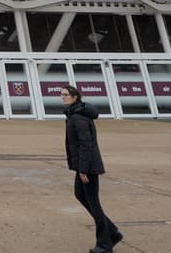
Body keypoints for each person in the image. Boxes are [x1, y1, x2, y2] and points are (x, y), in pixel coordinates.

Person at [60, 84, 121, 252]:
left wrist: (83, 169)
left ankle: (105, 244)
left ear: (75, 97)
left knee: (93, 203)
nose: (62, 97)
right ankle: (112, 232)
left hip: (88, 167)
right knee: (80, 195)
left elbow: (86, 145)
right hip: (84, 165)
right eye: (61, 94)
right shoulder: (74, 114)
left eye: (66, 95)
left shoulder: (78, 118)